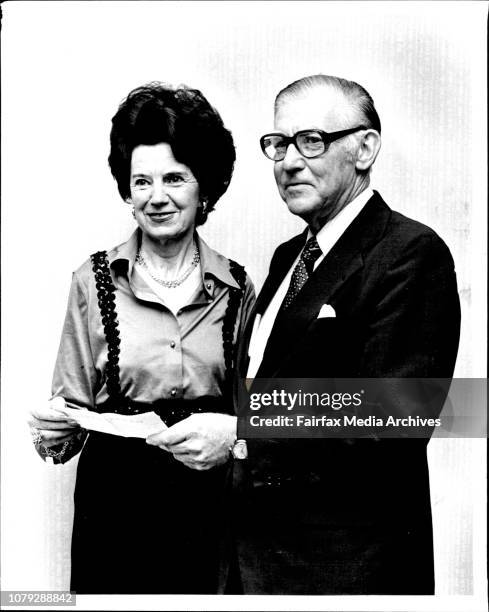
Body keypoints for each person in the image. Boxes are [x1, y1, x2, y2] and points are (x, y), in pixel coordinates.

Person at [151, 75, 461, 594]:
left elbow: (394, 417)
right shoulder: (286, 259)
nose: (289, 161)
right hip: (251, 566)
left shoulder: (410, 253)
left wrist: (241, 437)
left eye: (311, 140)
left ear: (366, 148)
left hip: (343, 575)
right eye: (278, 144)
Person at [28, 82, 255, 594]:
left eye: (175, 178)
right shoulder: (93, 280)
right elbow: (67, 423)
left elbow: (252, 414)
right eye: (142, 181)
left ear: (205, 188)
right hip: (115, 512)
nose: (157, 197)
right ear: (126, 191)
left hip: (210, 511)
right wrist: (51, 433)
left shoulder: (239, 288)